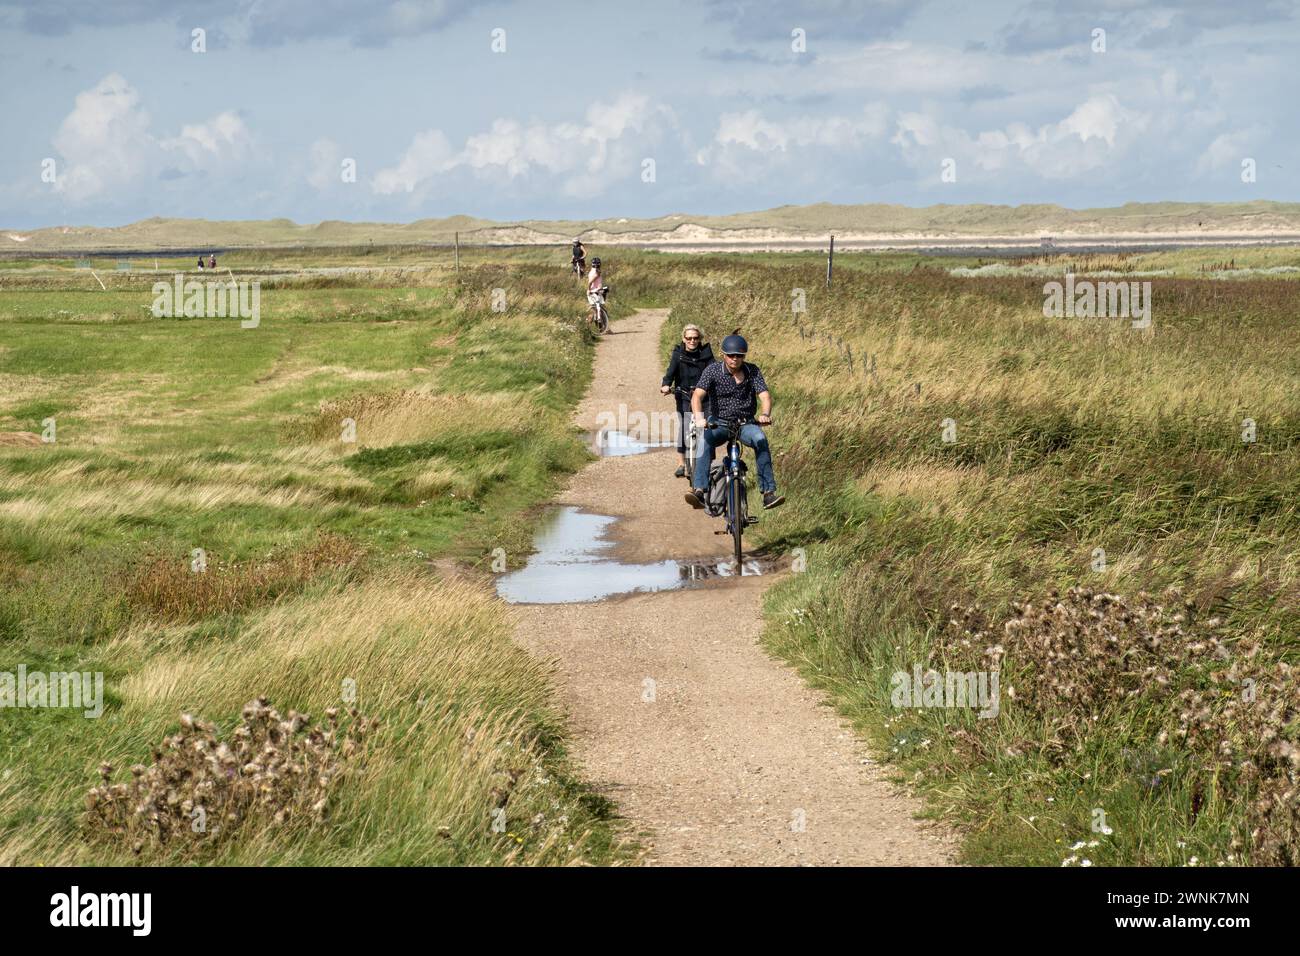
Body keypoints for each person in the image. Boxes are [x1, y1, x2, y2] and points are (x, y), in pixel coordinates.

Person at [685, 332, 785, 510]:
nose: (734, 359)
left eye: (739, 356)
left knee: (761, 440)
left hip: (746, 423)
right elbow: (697, 397)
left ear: (744, 356)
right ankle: (699, 490)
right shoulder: (713, 371)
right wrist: (700, 419)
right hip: (719, 422)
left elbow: (765, 396)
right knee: (705, 440)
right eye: (731, 355)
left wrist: (765, 414)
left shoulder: (752, 371)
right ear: (723, 355)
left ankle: (768, 493)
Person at [660, 324, 715, 478]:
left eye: (696, 338)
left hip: (704, 397)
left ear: (700, 339)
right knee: (685, 426)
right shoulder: (678, 354)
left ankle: (708, 462)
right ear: (683, 339)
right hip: (683, 395)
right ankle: (681, 463)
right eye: (689, 338)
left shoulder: (707, 354)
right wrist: (666, 385)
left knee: (706, 428)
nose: (692, 341)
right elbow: (670, 372)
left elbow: (714, 371)